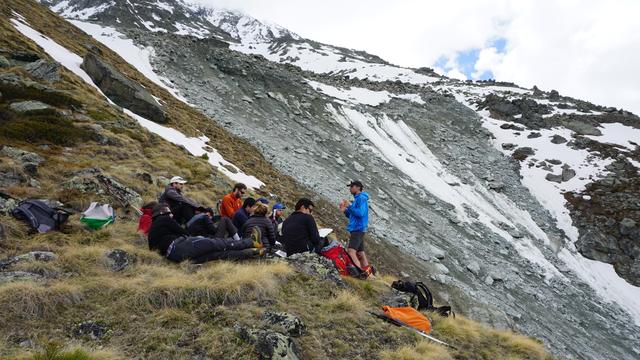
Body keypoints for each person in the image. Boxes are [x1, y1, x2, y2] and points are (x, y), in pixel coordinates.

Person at [148, 203, 263, 263]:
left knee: (217, 256)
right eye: (169, 213)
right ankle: (252, 242)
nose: (172, 215)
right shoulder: (164, 219)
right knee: (219, 243)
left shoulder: (154, 230)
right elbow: (182, 231)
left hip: (175, 257)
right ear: (162, 213)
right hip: (181, 246)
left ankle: (254, 252)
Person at [340, 180, 372, 276]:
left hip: (358, 228)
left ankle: (359, 272)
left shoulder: (361, 198)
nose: (350, 188)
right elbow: (353, 215)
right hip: (359, 228)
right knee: (360, 253)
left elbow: (360, 213)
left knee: (351, 251)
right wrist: (345, 210)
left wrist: (349, 206)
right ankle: (368, 274)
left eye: (352, 186)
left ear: (358, 187)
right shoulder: (358, 199)